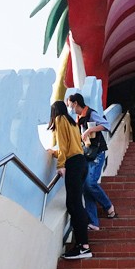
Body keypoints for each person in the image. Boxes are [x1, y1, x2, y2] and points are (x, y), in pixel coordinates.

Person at [46, 100, 92, 259]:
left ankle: (84, 247)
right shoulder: (72, 122)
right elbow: (72, 146)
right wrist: (55, 153)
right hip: (81, 162)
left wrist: (60, 164)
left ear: (54, 113)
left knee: (75, 204)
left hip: (73, 164)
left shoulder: (60, 120)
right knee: (74, 204)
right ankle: (82, 244)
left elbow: (64, 147)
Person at [67, 93, 117, 231]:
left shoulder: (90, 113)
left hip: (97, 153)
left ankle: (108, 206)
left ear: (75, 103)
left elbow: (106, 124)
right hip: (87, 154)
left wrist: (89, 130)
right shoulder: (78, 118)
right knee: (85, 187)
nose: (69, 107)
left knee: (90, 183)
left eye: (69, 104)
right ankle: (94, 222)